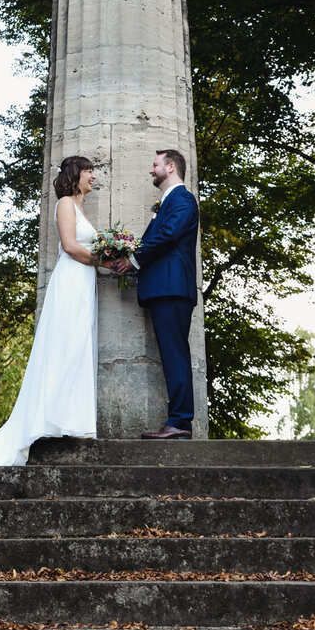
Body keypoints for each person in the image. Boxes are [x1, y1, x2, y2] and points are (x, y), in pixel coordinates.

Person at [0, 156, 100, 466]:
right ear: (76, 174)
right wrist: (106, 261)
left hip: (85, 284)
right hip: (70, 280)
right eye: (89, 171)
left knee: (79, 348)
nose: (93, 177)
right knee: (64, 347)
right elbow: (69, 245)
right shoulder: (65, 204)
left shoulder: (80, 207)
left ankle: (67, 419)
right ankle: (48, 419)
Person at [113, 149, 199, 439]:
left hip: (172, 288)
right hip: (165, 288)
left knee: (175, 354)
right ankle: (178, 421)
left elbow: (168, 235)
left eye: (155, 164)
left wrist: (134, 260)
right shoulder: (167, 203)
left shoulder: (183, 200)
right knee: (172, 354)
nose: (151, 170)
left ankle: (180, 422)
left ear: (171, 167)